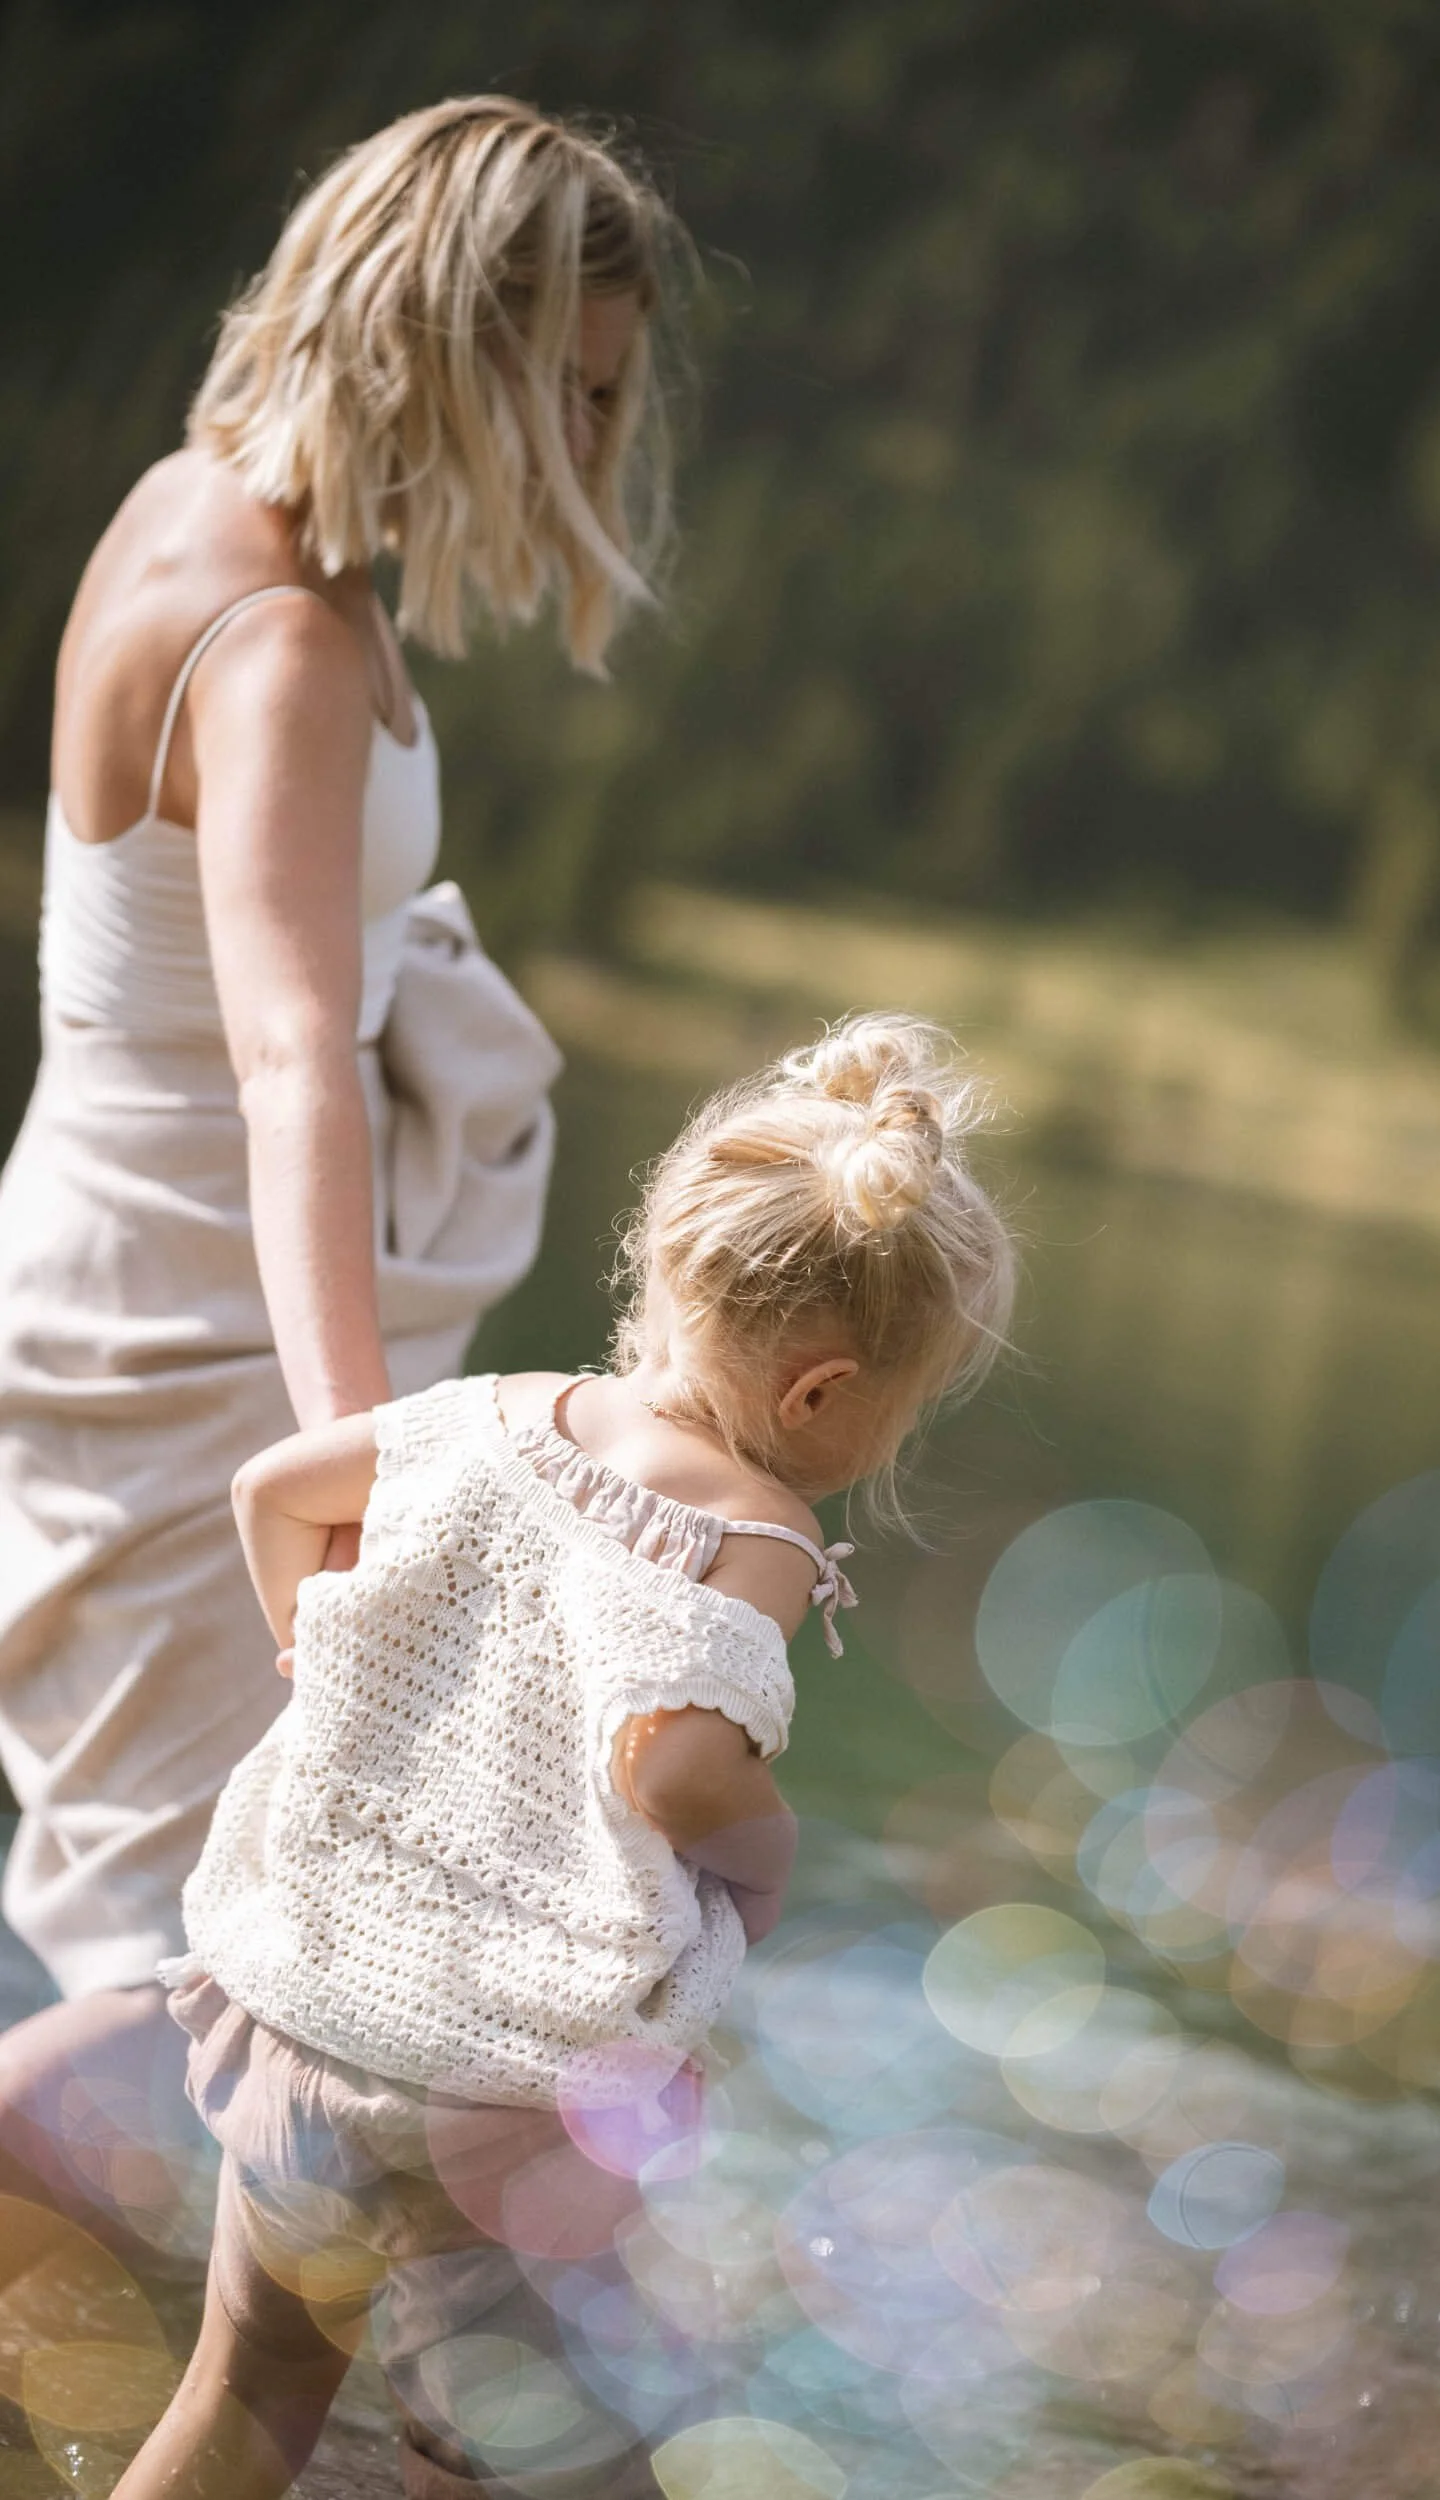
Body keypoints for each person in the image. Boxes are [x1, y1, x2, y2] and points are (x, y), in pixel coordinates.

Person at [0, 96, 680, 2258]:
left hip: (148, 1264)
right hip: (195, 1320)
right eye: (575, 392)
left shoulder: (208, 514)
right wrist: (365, 1480)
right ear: (451, 351)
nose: (597, 443)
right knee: (212, 1943)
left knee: (204, 1923)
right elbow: (291, 1058)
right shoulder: (280, 633)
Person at [108, 1012, 1016, 2500]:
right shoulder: (754, 1534)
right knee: (516, 2460)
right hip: (499, 2101)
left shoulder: (484, 1418)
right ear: (818, 1391)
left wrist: (316, 1648)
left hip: (308, 2023)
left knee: (244, 2394)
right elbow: (672, 1765)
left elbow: (273, 1489)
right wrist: (767, 1856)